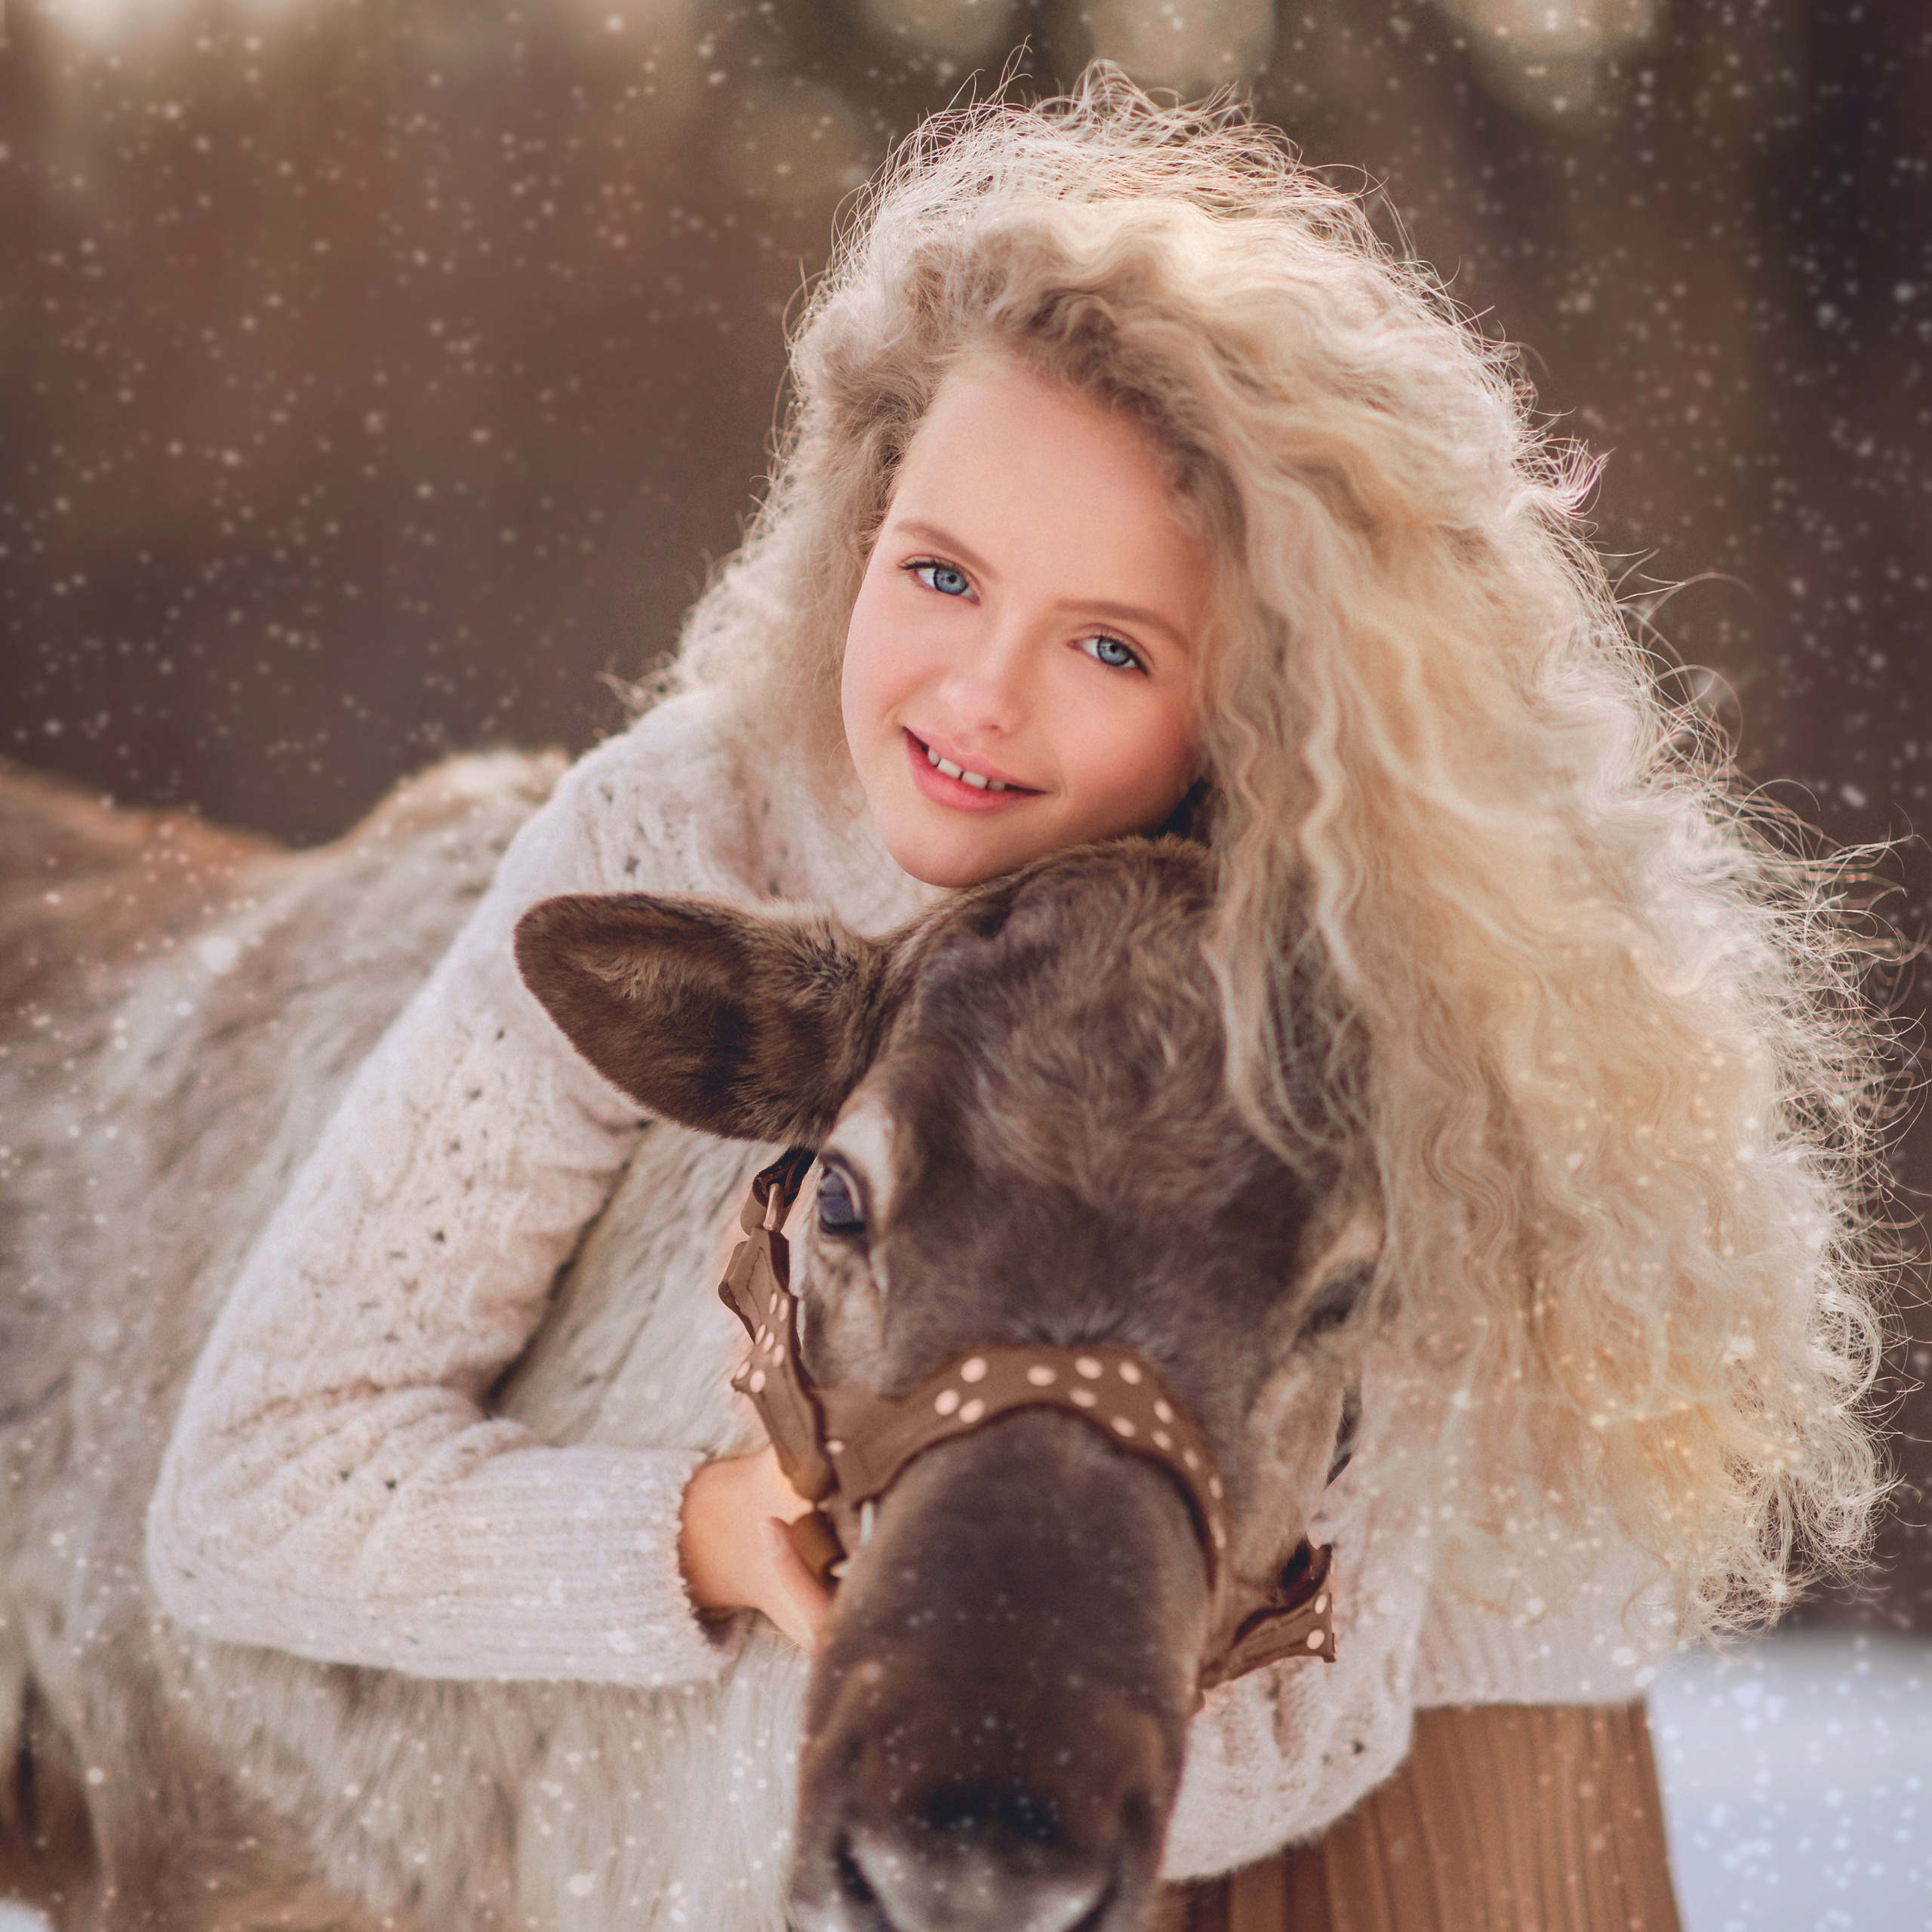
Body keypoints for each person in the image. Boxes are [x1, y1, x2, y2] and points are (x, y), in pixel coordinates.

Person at [145, 71, 1883, 1921]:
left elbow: (1303, 1732)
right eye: (943, 573)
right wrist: (698, 1532)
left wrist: (989, 1675)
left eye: (1111, 644)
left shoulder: (1376, 998)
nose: (977, 698)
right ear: (856, 528)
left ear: (1252, 706)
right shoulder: (691, 823)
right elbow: (257, 1483)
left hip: (1416, 1769)